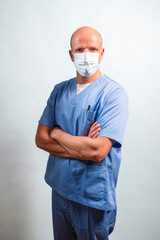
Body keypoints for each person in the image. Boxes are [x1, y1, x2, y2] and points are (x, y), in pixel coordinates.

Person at [35, 26, 129, 240]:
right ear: (71, 54)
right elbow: (40, 139)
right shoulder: (59, 91)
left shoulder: (113, 95)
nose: (86, 55)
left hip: (91, 195)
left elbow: (97, 151)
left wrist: (58, 135)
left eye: (93, 49)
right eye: (80, 50)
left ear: (102, 53)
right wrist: (81, 146)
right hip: (60, 189)